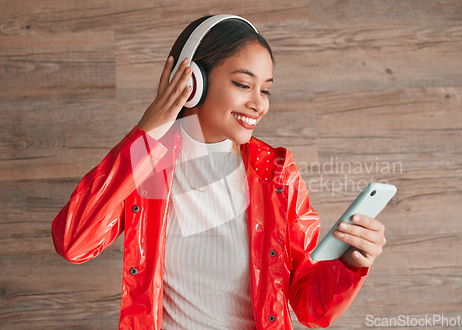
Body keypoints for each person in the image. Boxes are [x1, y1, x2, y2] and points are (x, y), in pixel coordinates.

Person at [51, 15, 387, 329]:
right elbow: (74, 243)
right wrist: (146, 135)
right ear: (193, 82)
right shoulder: (145, 167)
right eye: (244, 84)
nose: (259, 104)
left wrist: (350, 263)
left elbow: (311, 309)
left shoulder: (277, 175)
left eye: (265, 89)